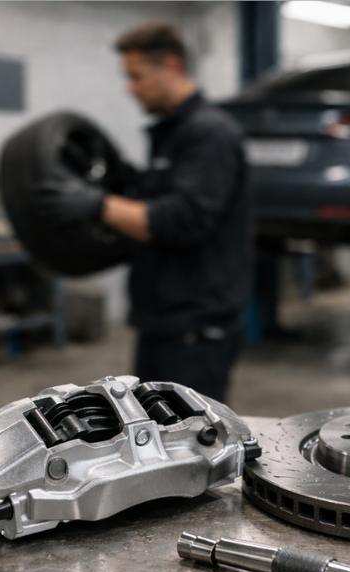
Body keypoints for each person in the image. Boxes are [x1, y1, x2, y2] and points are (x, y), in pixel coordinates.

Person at [37, 22, 252, 402]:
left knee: (190, 446)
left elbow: (182, 219)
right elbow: (156, 201)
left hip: (195, 331)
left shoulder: (209, 133)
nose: (130, 88)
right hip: (162, 320)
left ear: (170, 66)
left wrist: (96, 205)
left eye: (136, 77)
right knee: (154, 441)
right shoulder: (173, 132)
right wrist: (122, 179)